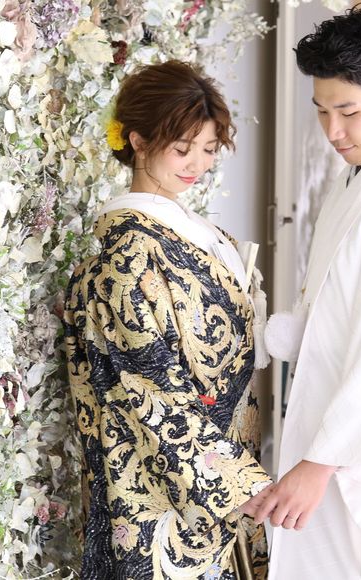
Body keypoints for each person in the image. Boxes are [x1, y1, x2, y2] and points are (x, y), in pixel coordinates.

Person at [63, 60, 272, 580]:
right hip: (162, 485)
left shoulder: (197, 232)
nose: (197, 164)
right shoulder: (128, 254)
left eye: (209, 149)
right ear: (138, 141)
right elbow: (148, 385)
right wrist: (237, 484)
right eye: (182, 148)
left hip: (221, 470)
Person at [243, 3, 361, 579]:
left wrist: (320, 462)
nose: (333, 132)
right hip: (327, 429)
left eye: (349, 112)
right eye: (322, 111)